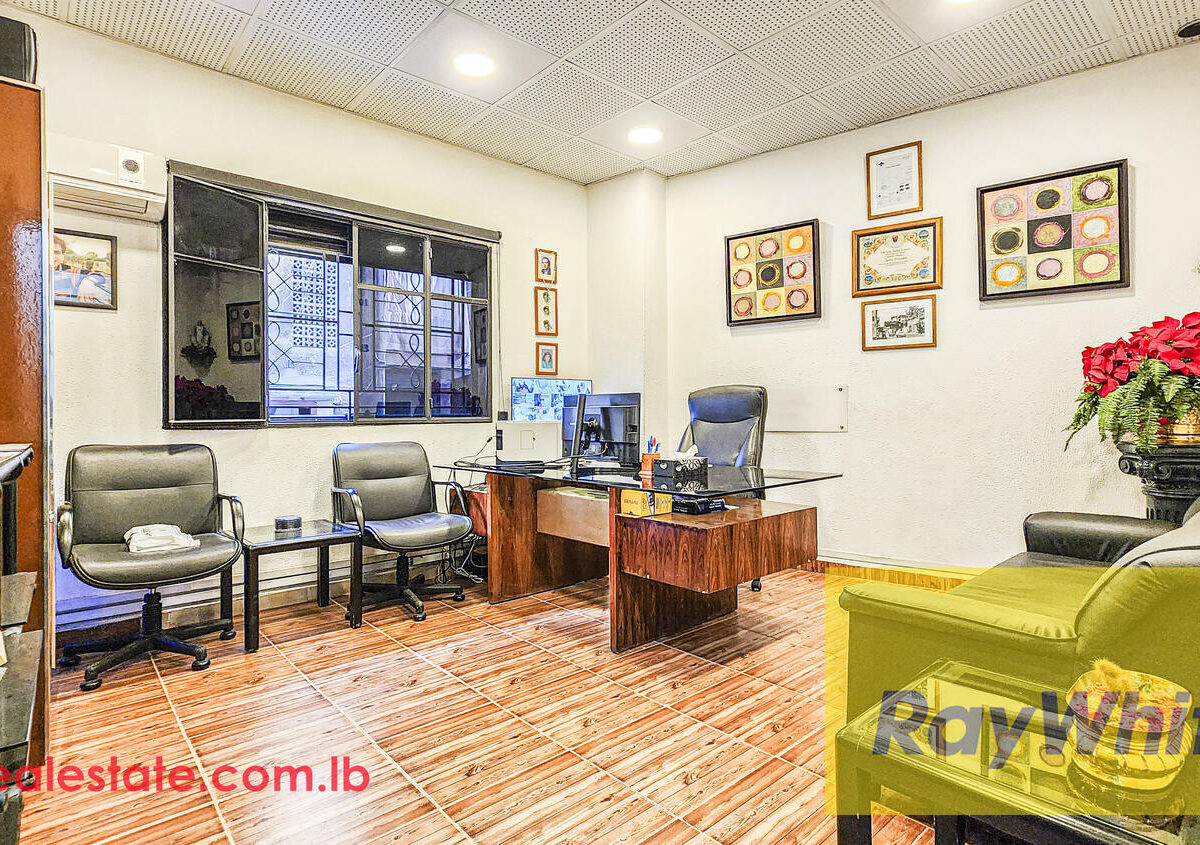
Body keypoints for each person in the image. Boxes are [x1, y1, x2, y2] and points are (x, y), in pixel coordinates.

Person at [52, 235, 80, 299]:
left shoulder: (72, 272)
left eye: (56, 252)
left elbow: (98, 276)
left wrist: (87, 284)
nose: (52, 256)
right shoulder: (31, 272)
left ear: (63, 256)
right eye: (48, 251)